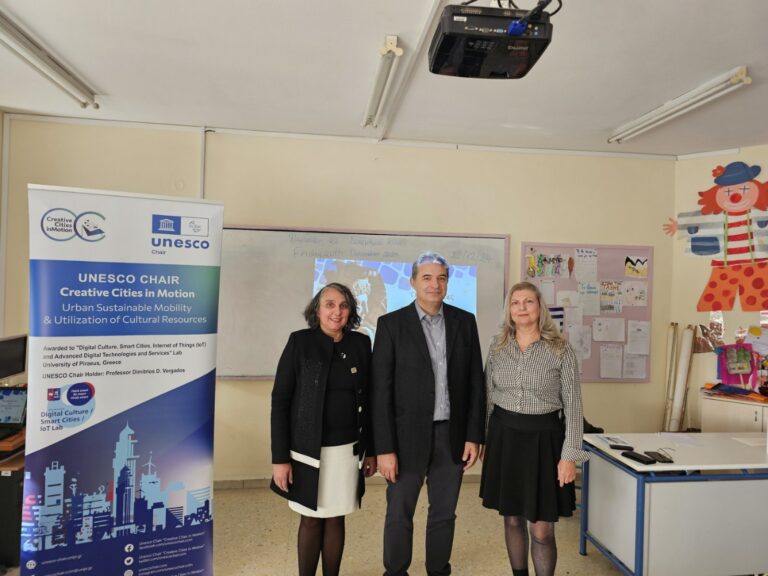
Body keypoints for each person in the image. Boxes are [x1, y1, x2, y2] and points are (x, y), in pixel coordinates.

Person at [371, 251, 485, 576]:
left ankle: (438, 570)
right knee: (399, 513)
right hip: (404, 440)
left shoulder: (465, 322)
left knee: (444, 514)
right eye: (427, 278)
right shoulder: (391, 325)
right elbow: (380, 392)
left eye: (441, 278)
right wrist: (384, 449)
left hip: (452, 436)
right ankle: (395, 572)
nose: (435, 284)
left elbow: (475, 384)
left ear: (447, 282)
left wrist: (474, 436)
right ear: (412, 282)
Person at [479, 281, 588, 576]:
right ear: (509, 310)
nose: (522, 308)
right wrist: (485, 443)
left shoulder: (560, 349)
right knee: (512, 519)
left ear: (540, 307)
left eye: (528, 301)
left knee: (542, 530)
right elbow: (487, 398)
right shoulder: (498, 347)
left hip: (544, 442)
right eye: (516, 303)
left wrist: (569, 456)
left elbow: (574, 406)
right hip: (504, 438)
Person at [270, 282, 377, 576]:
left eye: (343, 305)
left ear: (350, 311)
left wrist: (371, 451)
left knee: (336, 518)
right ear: (317, 309)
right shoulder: (299, 342)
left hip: (347, 451)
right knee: (310, 519)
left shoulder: (360, 344)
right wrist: (280, 459)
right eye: (330, 304)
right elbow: (280, 402)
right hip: (306, 452)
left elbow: (370, 400)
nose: (337, 311)